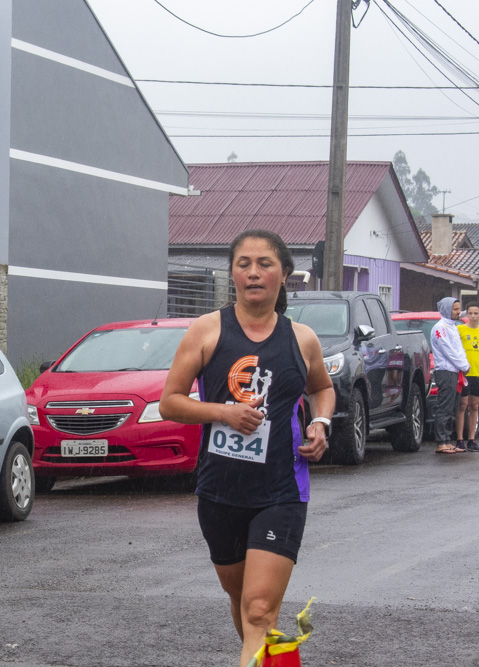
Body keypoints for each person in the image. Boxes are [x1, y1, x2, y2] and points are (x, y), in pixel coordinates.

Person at [159, 230, 335, 667]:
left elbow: (323, 389)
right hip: (219, 491)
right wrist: (224, 413)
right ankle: (274, 659)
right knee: (244, 604)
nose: (254, 273)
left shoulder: (302, 339)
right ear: (233, 274)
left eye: (265, 263)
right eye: (244, 264)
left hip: (280, 492)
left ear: (284, 275)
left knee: (259, 608)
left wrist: (321, 422)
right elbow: (170, 402)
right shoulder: (208, 329)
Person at [431, 297, 470, 454]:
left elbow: (459, 349)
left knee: (453, 407)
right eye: (455, 309)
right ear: (447, 310)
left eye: (458, 309)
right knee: (444, 407)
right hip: (446, 371)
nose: (458, 312)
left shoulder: (453, 326)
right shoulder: (440, 328)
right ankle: (441, 441)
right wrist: (464, 365)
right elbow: (449, 351)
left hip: (455, 371)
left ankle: (447, 440)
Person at [455, 303, 479, 452]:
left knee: (474, 406)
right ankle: (460, 439)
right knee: (462, 405)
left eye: (476, 313)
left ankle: (472, 439)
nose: (473, 316)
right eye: (471, 313)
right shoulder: (460, 330)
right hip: (464, 372)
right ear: (466, 315)